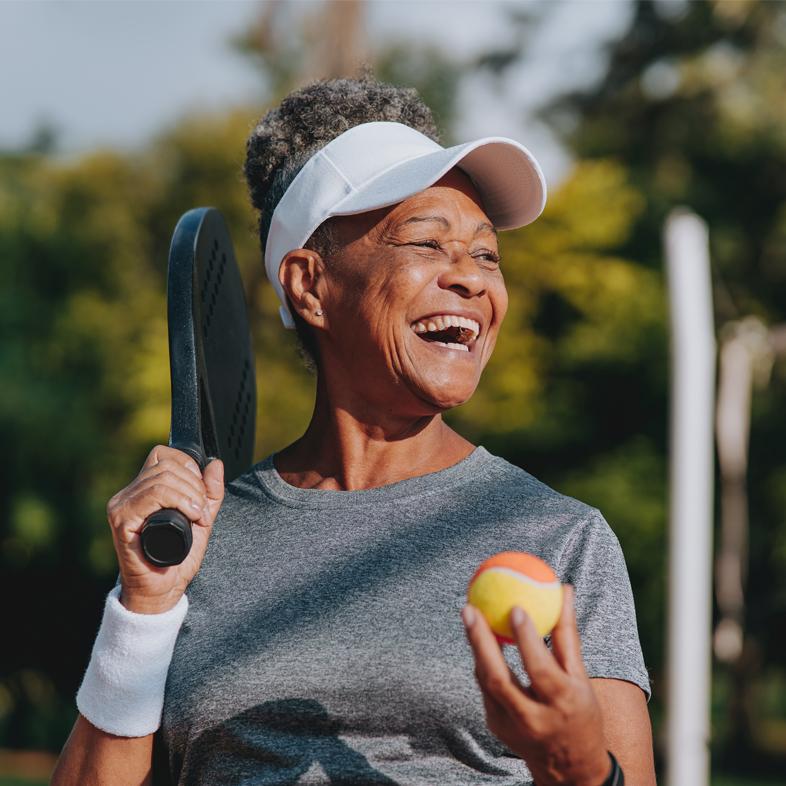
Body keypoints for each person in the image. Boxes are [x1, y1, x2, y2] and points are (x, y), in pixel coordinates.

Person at [52, 76, 656, 786]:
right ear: (309, 285)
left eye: (487, 254)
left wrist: (579, 765)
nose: (471, 278)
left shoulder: (559, 537)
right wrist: (143, 611)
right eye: (427, 243)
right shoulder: (192, 540)